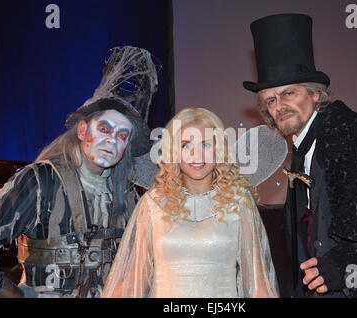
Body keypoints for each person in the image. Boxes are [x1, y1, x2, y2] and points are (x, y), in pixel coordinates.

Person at [243, 13, 357, 297]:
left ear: (315, 94)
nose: (279, 105)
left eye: (289, 93)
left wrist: (347, 267)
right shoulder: (300, 153)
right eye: (271, 99)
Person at [0, 46, 159, 298]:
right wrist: (11, 295)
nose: (112, 141)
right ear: (83, 130)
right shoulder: (41, 182)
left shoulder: (127, 194)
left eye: (122, 136)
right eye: (104, 129)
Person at [102, 107, 279, 297]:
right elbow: (134, 280)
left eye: (206, 144)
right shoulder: (153, 203)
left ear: (219, 149)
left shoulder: (238, 202)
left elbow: (257, 283)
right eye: (186, 145)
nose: (197, 155)